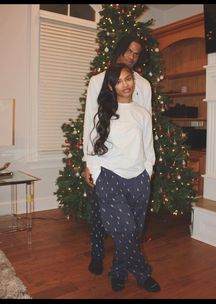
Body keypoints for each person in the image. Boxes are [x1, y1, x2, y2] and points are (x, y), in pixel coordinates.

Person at [82, 32, 152, 277]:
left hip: (135, 167)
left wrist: (147, 169)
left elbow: (145, 125)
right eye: (129, 51)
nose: (132, 57)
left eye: (136, 53)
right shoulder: (97, 81)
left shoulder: (142, 84)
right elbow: (90, 125)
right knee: (99, 214)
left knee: (130, 225)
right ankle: (98, 254)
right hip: (106, 164)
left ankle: (121, 268)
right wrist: (89, 163)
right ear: (119, 50)